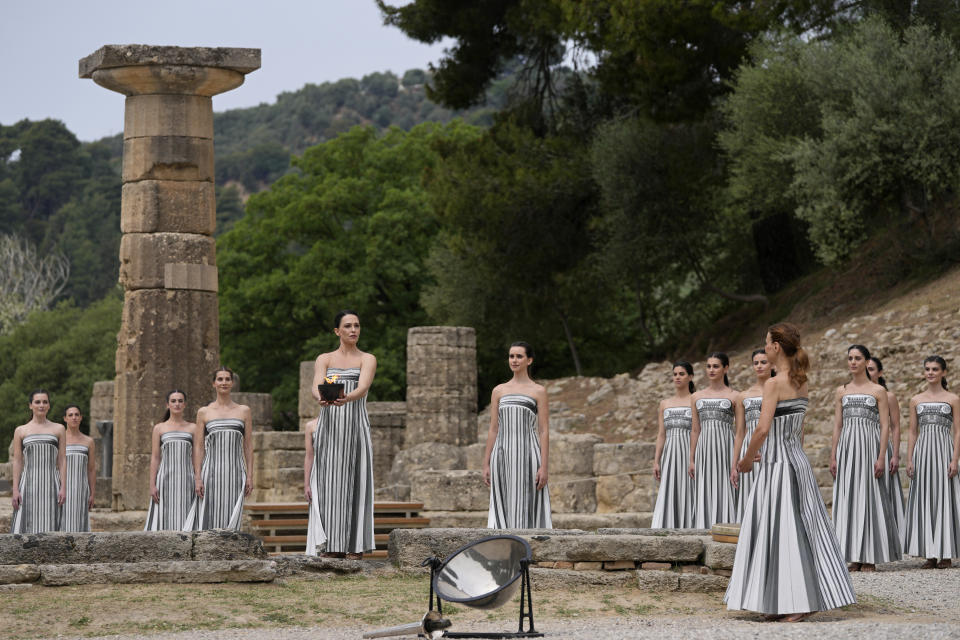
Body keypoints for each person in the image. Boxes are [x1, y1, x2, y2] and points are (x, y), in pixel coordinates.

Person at [725, 323, 855, 622]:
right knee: (793, 530)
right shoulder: (801, 381)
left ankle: (798, 602)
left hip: (778, 467)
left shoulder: (774, 383)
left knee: (783, 531)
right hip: (796, 461)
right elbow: (799, 431)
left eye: (766, 343)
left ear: (776, 347)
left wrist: (745, 460)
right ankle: (782, 600)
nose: (765, 347)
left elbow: (762, 428)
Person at [305, 310, 377, 558]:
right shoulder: (324, 358)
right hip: (330, 427)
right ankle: (331, 545)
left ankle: (354, 546)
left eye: (357, 325)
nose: (353, 330)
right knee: (329, 485)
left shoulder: (367, 358)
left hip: (355, 425)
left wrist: (346, 397)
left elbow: (363, 386)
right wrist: (320, 397)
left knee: (356, 482)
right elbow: (316, 385)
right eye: (347, 326)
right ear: (337, 331)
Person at [829, 344, 901, 571]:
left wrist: (882, 456)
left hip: (870, 448)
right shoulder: (841, 390)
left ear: (866, 361)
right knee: (849, 497)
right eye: (850, 358)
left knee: (870, 498)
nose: (853, 362)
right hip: (848, 449)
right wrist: (833, 455)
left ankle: (870, 556)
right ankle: (853, 556)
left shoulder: (878, 391)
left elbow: (885, 425)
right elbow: (838, 425)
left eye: (858, 358)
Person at [483, 341, 552, 529]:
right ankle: (503, 551)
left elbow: (544, 430)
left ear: (529, 360)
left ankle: (528, 551)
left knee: (527, 502)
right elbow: (494, 428)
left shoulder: (538, 391)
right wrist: (486, 463)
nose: (514, 360)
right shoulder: (499, 390)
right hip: (502, 454)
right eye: (511, 356)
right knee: (502, 502)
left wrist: (544, 466)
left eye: (519, 356)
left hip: (529, 455)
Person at [902, 355, 960, 568]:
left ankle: (946, 553)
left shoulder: (953, 399)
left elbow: (958, 430)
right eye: (927, 369)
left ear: (943, 372)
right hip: (923, 453)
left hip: (944, 451)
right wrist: (909, 458)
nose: (930, 372)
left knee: (944, 497)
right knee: (925, 498)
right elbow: (912, 432)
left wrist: (955, 459)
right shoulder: (916, 400)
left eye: (935, 369)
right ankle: (930, 553)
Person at [185, 368, 253, 530]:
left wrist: (249, 476)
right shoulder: (204, 412)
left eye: (227, 379)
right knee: (210, 513)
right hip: (211, 472)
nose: (224, 382)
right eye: (220, 379)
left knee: (233, 513)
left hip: (236, 471)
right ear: (214, 383)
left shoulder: (244, 411)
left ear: (232, 383)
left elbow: (248, 445)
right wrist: (198, 477)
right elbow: (199, 447)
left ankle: (231, 552)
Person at [689, 352, 739, 529]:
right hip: (704, 448)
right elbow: (695, 429)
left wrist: (736, 459)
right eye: (709, 366)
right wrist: (691, 458)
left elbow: (740, 430)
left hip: (726, 446)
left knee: (726, 486)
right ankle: (703, 527)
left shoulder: (735, 396)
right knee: (704, 487)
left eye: (716, 366)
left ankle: (726, 527)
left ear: (726, 368)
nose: (711, 370)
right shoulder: (696, 397)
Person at [10, 390, 66, 534]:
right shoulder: (20, 430)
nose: (41, 405)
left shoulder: (59, 429)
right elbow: (17, 461)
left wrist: (63, 487)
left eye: (45, 402)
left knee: (51, 524)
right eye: (37, 402)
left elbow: (62, 460)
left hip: (51, 485)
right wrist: (15, 489)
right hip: (28, 484)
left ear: (49, 406)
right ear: (30, 405)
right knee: (25, 526)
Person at [651, 362, 696, 528]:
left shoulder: (696, 400)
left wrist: (694, 457)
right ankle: (667, 525)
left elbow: (697, 431)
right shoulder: (665, 404)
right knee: (670, 489)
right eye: (675, 374)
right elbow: (661, 434)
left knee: (689, 489)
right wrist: (657, 461)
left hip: (689, 451)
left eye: (682, 374)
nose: (677, 377)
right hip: (670, 453)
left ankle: (690, 525)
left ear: (690, 377)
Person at [866, 356, 905, 543]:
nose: (868, 371)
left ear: (880, 373)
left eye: (872, 369)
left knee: (882, 495)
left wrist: (895, 455)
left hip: (881, 449)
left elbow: (895, 426)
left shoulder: (888, 396)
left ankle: (885, 540)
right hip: (860, 450)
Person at [731, 349, 773, 522]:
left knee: (771, 494)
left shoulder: (782, 392)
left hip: (773, 445)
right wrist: (734, 464)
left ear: (772, 364)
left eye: (764, 362)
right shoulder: (744, 396)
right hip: (749, 449)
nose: (759, 366)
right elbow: (740, 432)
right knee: (750, 497)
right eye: (756, 363)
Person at [145, 390, 197, 531]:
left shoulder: (193, 428)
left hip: (187, 479)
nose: (177, 404)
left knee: (186, 513)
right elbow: (155, 457)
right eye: (173, 401)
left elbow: (196, 457)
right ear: (167, 405)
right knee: (165, 515)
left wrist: (198, 479)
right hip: (165, 479)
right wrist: (152, 484)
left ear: (185, 404)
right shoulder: (159, 428)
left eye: (180, 401)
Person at [62, 404, 95, 532]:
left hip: (81, 488)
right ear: (65, 418)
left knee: (79, 521)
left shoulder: (89, 441)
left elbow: (91, 469)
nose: (74, 418)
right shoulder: (59, 440)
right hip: (62, 488)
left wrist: (92, 493)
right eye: (70, 415)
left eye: (76, 415)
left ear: (81, 418)